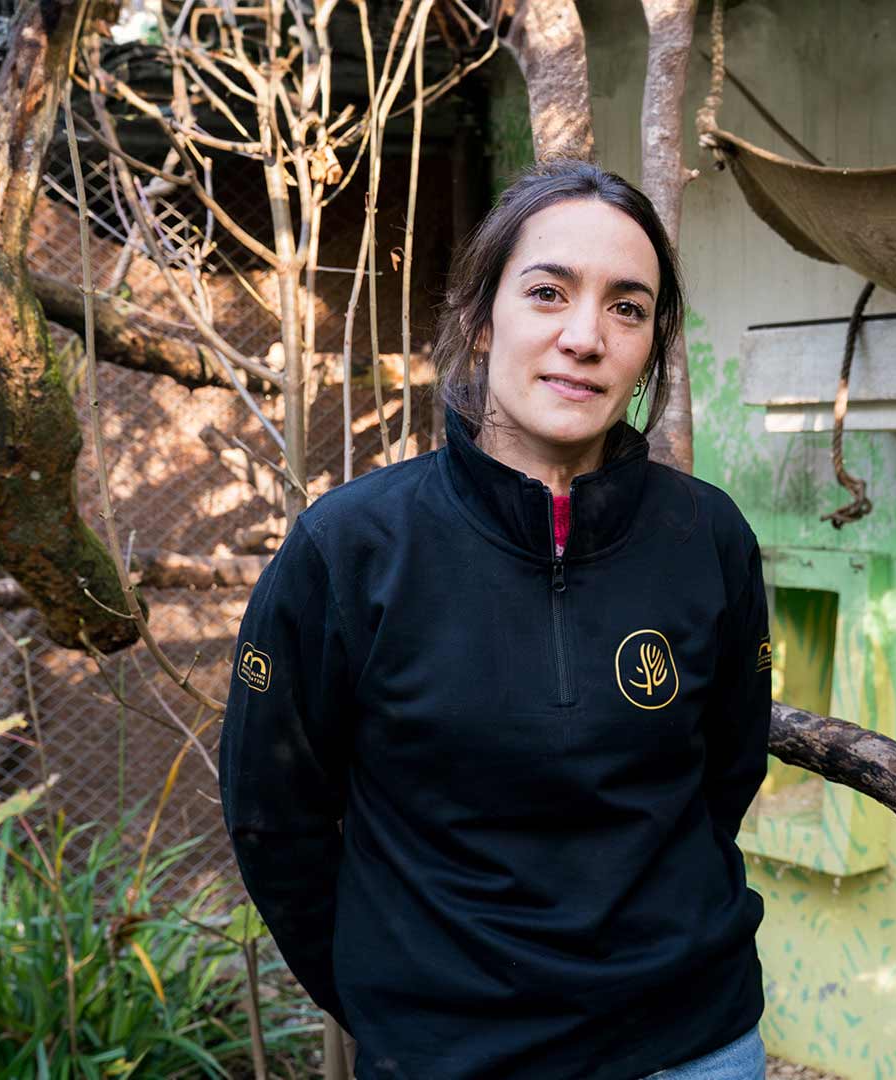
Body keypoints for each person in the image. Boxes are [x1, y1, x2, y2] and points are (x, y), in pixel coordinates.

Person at [218, 159, 772, 1080]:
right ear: (481, 321)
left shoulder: (706, 536)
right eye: (549, 292)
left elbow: (728, 771)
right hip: (450, 1054)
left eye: (628, 308)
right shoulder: (350, 549)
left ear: (650, 349)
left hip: (692, 1044)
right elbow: (276, 815)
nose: (585, 337)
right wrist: (386, 995)